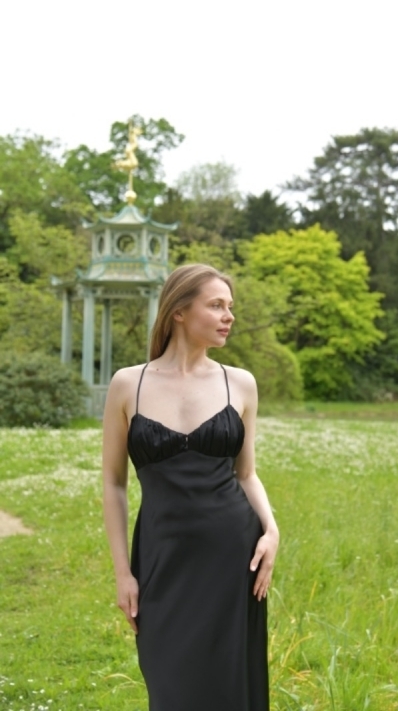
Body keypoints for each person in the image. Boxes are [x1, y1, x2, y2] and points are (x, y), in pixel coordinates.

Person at [102, 263, 279, 711]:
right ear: (178, 311)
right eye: (216, 305)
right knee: (170, 686)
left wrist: (272, 530)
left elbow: (246, 473)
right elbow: (114, 484)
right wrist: (123, 573)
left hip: (233, 555)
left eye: (230, 307)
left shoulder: (240, 383)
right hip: (162, 559)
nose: (228, 316)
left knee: (228, 686)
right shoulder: (128, 383)